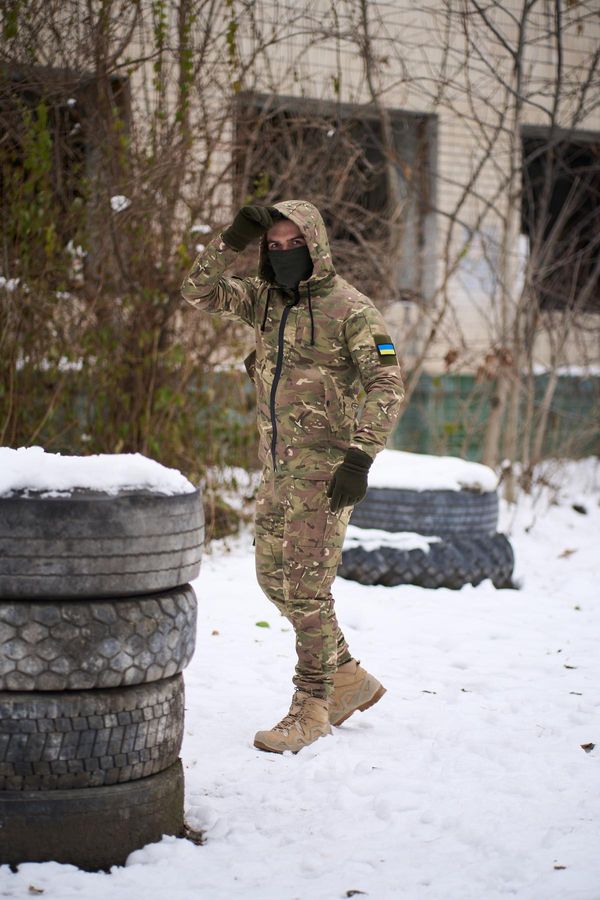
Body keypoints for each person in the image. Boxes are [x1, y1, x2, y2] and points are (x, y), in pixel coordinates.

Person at [181, 200, 404, 754]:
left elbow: (387, 384)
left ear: (315, 246)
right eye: (273, 247)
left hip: (328, 473)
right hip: (277, 469)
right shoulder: (262, 300)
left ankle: (312, 705)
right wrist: (234, 237)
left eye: (293, 246)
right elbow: (198, 290)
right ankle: (347, 675)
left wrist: (360, 458)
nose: (283, 256)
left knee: (306, 588)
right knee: (272, 580)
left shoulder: (351, 309)